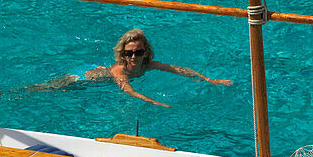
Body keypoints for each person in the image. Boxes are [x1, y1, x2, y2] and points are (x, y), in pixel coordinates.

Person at [35, 29, 232, 107]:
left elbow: (180, 69)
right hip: (87, 78)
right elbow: (128, 90)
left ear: (146, 52)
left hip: (98, 81)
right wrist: (153, 101)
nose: (134, 57)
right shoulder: (119, 71)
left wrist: (210, 80)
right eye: (129, 53)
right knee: (53, 88)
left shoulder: (149, 65)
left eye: (138, 52)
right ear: (123, 55)